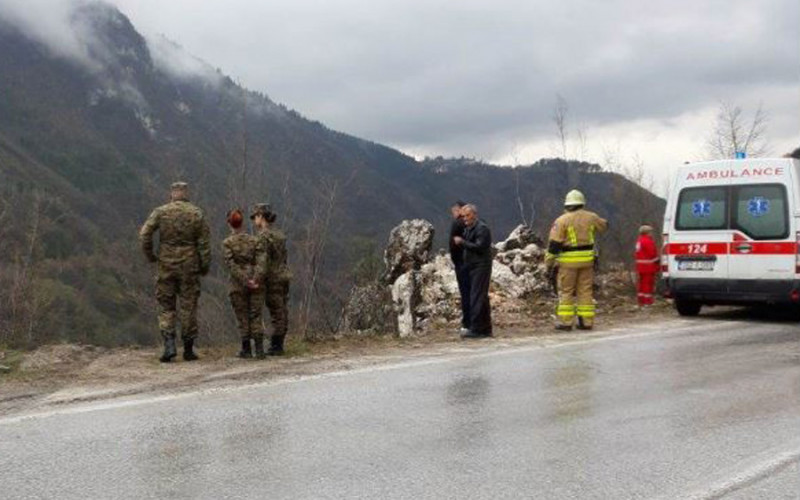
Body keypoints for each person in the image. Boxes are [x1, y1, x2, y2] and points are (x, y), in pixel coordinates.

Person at [139, 181, 211, 362]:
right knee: (188, 305)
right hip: (189, 265)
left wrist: (150, 255)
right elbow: (204, 244)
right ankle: (188, 348)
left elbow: (145, 234)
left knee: (166, 305)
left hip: (166, 264)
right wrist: (204, 266)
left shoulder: (161, 212)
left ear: (172, 194)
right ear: (186, 194)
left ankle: (169, 344)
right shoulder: (196, 213)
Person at [545, 189, 608, 331]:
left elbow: (554, 245)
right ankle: (586, 322)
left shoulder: (561, 220)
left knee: (566, 291)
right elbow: (605, 226)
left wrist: (548, 264)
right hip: (587, 260)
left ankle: (566, 322)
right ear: (582, 203)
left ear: (567, 205)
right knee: (585, 291)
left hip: (568, 262)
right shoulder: (591, 217)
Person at [222, 209, 269, 359]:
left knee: (242, 317)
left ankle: (246, 349)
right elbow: (262, 262)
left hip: (238, 285)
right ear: (242, 223)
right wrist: (256, 278)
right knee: (256, 314)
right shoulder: (255, 241)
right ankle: (260, 349)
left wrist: (244, 280)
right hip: (257, 284)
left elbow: (231, 265)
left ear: (229, 223)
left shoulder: (227, 243)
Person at [251, 203, 291, 355]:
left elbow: (262, 262)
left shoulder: (263, 237)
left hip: (272, 278)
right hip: (283, 276)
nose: (255, 220)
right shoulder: (280, 235)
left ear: (261, 216)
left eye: (255, 216)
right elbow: (284, 257)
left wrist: (256, 279)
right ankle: (279, 343)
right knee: (282, 310)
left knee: (276, 312)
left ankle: (276, 346)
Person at [453, 204, 493, 338]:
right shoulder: (468, 228)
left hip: (481, 266)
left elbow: (480, 246)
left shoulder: (482, 228)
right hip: (472, 266)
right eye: (463, 216)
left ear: (474, 215)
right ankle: (485, 328)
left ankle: (476, 328)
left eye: (468, 215)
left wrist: (462, 242)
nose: (465, 219)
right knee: (480, 296)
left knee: (476, 296)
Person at [448, 201, 470, 333]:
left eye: (454, 211)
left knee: (465, 293)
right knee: (470, 293)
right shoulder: (471, 224)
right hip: (469, 263)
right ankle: (472, 321)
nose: (453, 215)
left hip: (461, 263)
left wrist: (456, 261)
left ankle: (467, 322)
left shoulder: (457, 224)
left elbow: (454, 245)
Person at [634, 225, 659, 307]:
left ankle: (641, 301)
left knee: (641, 284)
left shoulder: (639, 240)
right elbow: (652, 253)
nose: (652, 233)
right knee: (648, 284)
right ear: (647, 232)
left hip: (640, 266)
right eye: (651, 231)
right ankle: (647, 301)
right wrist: (657, 261)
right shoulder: (647, 241)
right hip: (648, 266)